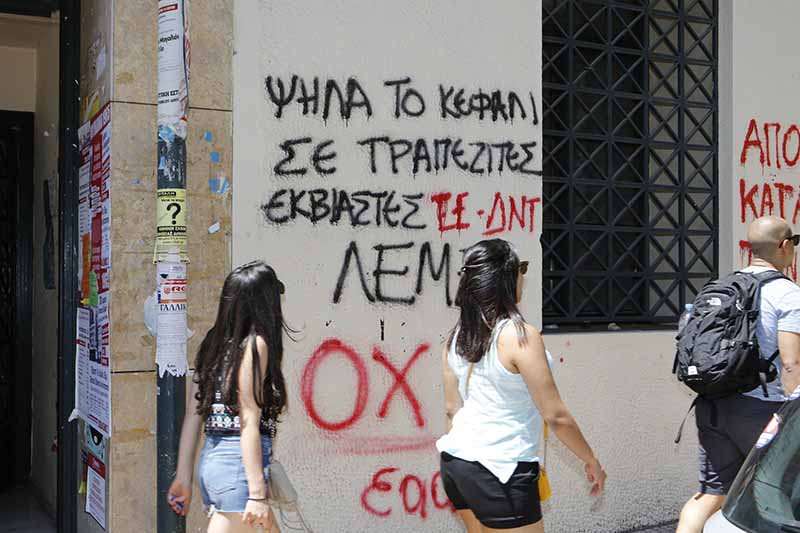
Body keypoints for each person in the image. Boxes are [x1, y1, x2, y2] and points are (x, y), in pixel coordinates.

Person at [436, 238, 607, 533]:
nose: (523, 276)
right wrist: (590, 459)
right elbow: (556, 415)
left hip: (456, 463)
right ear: (505, 278)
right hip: (502, 469)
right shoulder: (519, 335)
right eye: (521, 268)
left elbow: (452, 410)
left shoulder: (457, 337)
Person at [677, 216, 800, 533]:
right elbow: (791, 364)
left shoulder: (722, 287)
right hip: (761, 410)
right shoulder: (789, 295)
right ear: (785, 245)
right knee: (782, 496)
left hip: (712, 405)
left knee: (711, 494)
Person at [166, 261, 290, 532]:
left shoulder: (214, 343)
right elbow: (248, 422)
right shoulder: (255, 345)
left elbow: (194, 414)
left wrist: (184, 475)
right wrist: (256, 493)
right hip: (238, 471)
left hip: (216, 464)